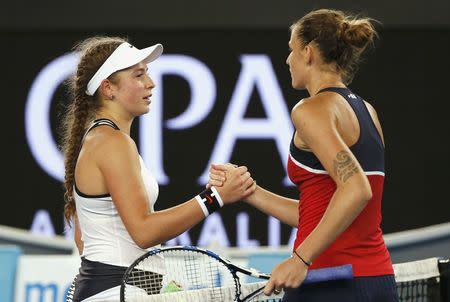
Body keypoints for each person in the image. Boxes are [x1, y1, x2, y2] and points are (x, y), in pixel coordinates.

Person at [208, 9, 399, 302]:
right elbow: (327, 211)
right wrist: (251, 192)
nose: (287, 60)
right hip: (377, 281)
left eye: (291, 50)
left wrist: (300, 259)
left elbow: (356, 189)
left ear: (307, 52)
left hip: (330, 283)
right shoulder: (367, 111)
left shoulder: (310, 109)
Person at [60, 36, 255, 302]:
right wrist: (214, 198)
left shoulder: (104, 140)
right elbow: (144, 232)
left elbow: (86, 241)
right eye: (138, 75)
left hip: (118, 290)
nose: (150, 83)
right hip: (115, 292)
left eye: (147, 74)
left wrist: (152, 278)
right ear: (108, 88)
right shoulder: (112, 143)